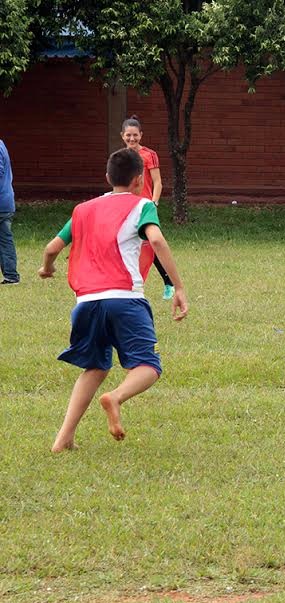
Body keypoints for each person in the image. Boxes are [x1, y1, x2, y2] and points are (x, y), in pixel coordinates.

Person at [38, 148, 188, 453]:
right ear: (138, 180)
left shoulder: (83, 209)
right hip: (124, 299)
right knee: (148, 365)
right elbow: (156, 240)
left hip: (86, 302)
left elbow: (52, 248)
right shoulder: (143, 205)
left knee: (94, 367)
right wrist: (178, 286)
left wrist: (47, 268)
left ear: (107, 177)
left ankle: (63, 438)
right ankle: (116, 397)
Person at [121, 115, 175, 301]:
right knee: (130, 243)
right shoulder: (121, 157)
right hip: (127, 207)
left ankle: (169, 283)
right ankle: (130, 283)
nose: (132, 139)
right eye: (128, 135)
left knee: (152, 243)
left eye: (135, 135)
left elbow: (158, 182)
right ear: (122, 136)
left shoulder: (149, 155)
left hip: (145, 207)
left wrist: (154, 203)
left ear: (141, 135)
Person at [0, 139, 19, 285]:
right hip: (6, 201)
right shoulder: (1, 144)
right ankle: (11, 276)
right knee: (5, 240)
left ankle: (11, 276)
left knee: (4, 240)